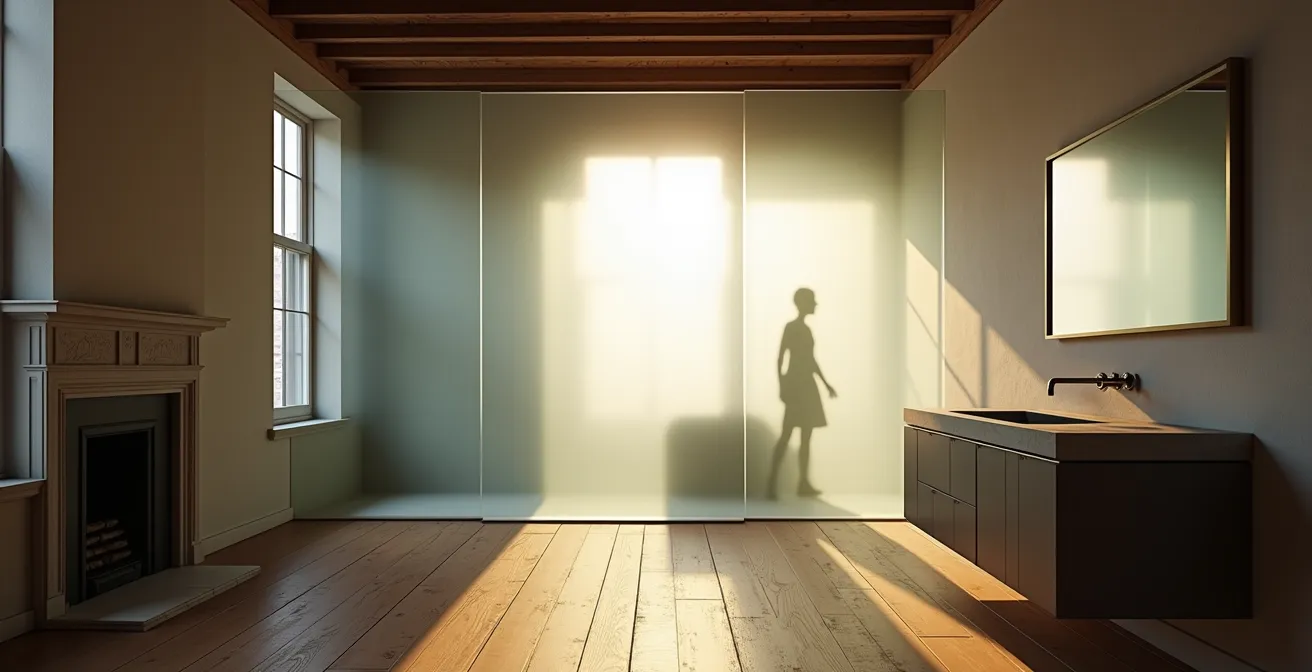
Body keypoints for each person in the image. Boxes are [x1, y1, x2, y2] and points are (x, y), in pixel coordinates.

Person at [766, 287, 836, 499]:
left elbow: (811, 360)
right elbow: (780, 358)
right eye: (812, 301)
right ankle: (771, 484)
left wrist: (825, 384)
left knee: (806, 436)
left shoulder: (805, 330)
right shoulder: (792, 328)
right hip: (797, 386)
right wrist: (782, 387)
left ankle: (803, 483)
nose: (816, 304)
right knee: (787, 434)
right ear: (803, 303)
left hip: (806, 386)